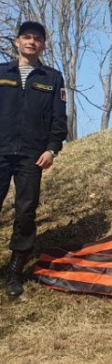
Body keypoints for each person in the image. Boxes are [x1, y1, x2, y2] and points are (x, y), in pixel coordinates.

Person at [0, 21, 68, 298]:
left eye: (37, 39)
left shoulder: (52, 78)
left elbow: (58, 118)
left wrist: (52, 148)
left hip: (32, 156)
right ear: (17, 42)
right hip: (0, 151)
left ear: (43, 45)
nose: (31, 42)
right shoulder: (1, 72)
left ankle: (15, 269)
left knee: (25, 211)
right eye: (26, 37)